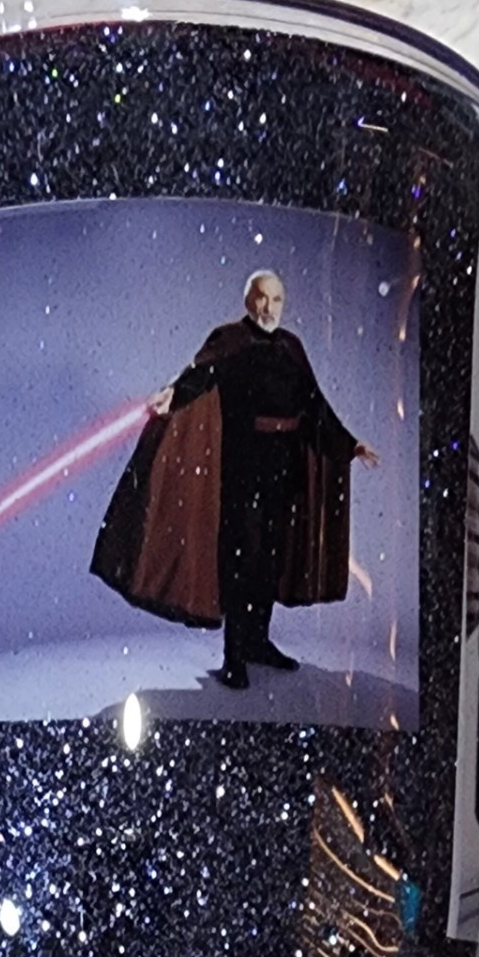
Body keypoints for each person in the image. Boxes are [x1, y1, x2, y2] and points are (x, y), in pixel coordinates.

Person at [91, 270, 379, 688]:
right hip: (243, 468)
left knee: (271, 559)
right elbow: (199, 375)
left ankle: (258, 642)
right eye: (261, 298)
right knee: (242, 559)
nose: (268, 307)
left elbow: (314, 404)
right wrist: (173, 393)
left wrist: (349, 444)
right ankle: (234, 656)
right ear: (248, 300)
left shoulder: (291, 347)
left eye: (276, 300)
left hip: (284, 468)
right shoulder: (229, 340)